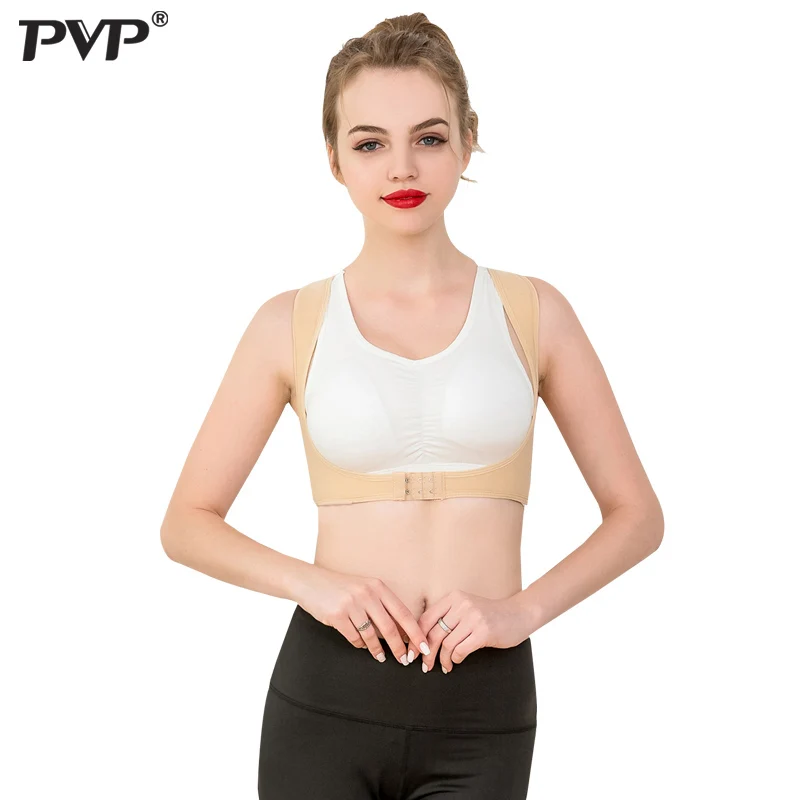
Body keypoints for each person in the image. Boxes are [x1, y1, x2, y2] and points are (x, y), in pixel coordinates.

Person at [160, 12, 664, 799]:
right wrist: (313, 584)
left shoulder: (535, 313)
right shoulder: (287, 323)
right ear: (334, 158)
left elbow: (637, 516)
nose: (402, 166)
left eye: (428, 138)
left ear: (467, 141)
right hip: (325, 699)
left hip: (484, 710)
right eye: (370, 144)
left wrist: (522, 613)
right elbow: (186, 523)